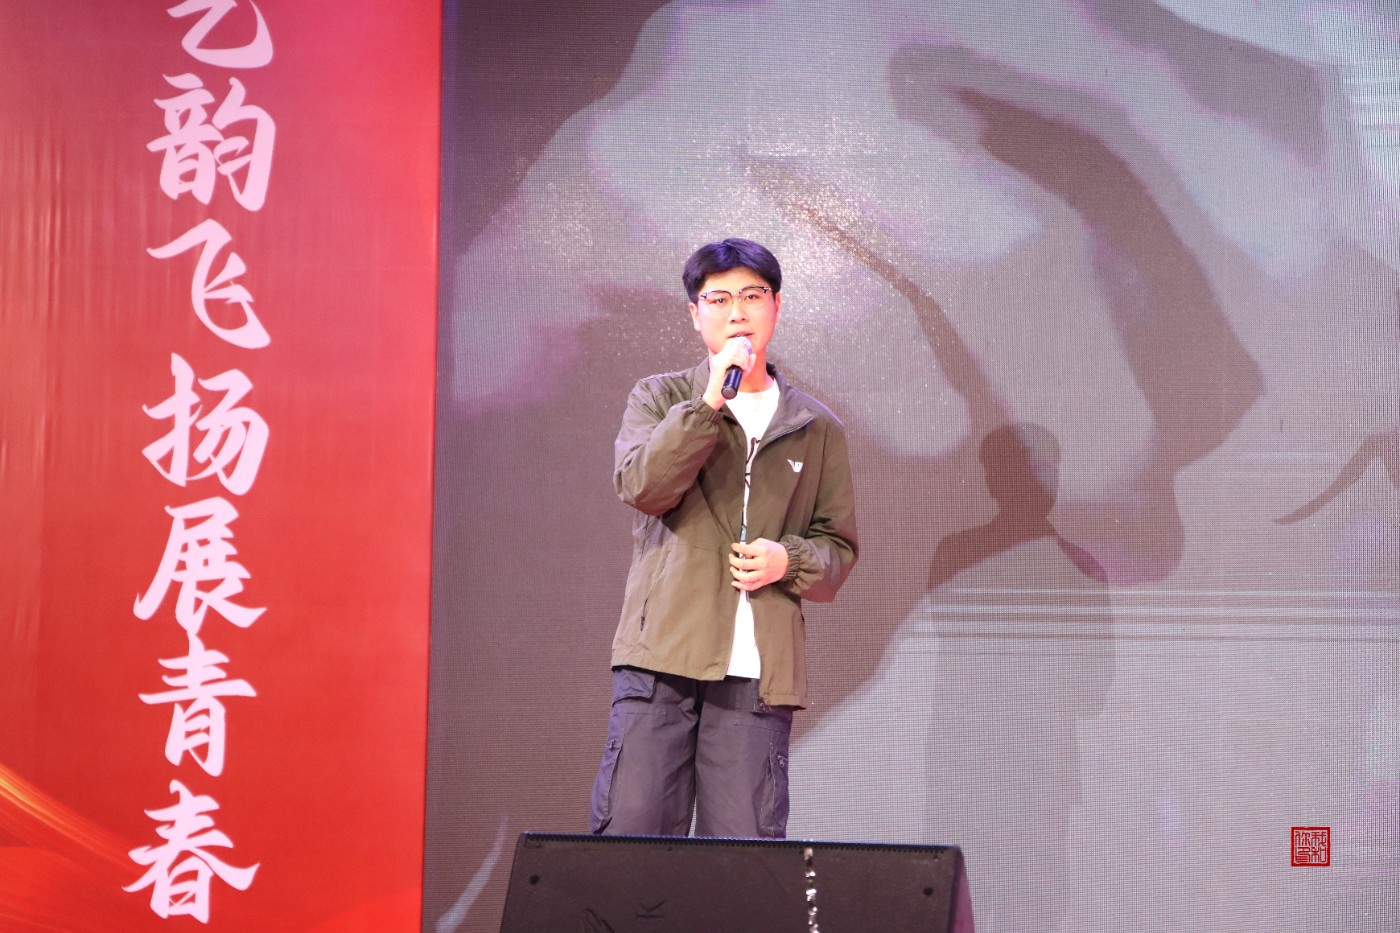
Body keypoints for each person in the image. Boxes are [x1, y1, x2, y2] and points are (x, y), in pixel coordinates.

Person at [589, 238, 858, 838]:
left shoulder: (816, 427)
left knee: (742, 857)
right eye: (719, 299)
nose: (737, 312)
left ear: (777, 306)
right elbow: (642, 486)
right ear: (695, 313)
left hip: (756, 672)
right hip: (659, 659)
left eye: (752, 296)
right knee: (632, 842)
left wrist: (787, 559)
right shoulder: (660, 398)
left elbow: (837, 547)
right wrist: (708, 403)